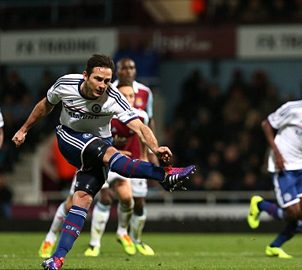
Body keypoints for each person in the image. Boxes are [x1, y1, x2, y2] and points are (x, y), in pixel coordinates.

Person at [12, 54, 195, 270]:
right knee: (109, 155)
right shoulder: (65, 84)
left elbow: (140, 126)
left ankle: (57, 258)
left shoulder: (114, 98)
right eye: (98, 79)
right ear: (86, 76)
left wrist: (155, 147)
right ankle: (163, 175)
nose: (103, 85)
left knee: (82, 200)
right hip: (69, 138)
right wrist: (24, 129)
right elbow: (45, 105)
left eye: (107, 81)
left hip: (99, 146)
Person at [247, 78, 302, 259]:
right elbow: (266, 124)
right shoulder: (293, 109)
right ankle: (259, 204)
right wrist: (276, 154)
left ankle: (275, 246)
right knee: (292, 213)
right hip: (283, 164)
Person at [84, 58, 159, 257]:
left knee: (138, 203)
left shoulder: (145, 94)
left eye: (131, 67)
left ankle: (134, 239)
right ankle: (94, 244)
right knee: (107, 198)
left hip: (135, 156)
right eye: (123, 67)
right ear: (117, 70)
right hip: (109, 156)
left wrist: (151, 154)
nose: (127, 70)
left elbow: (147, 124)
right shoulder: (106, 89)